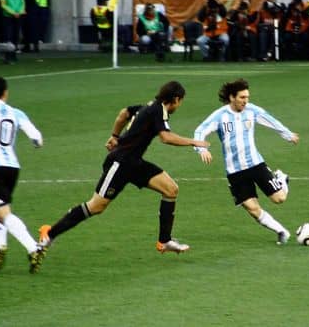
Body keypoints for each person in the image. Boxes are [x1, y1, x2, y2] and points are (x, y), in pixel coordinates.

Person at [38, 81, 210, 255]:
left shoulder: (148, 107)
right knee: (96, 206)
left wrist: (115, 136)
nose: (179, 106)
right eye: (180, 102)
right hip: (119, 163)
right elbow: (165, 137)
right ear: (176, 99)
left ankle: (164, 241)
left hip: (134, 162)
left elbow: (124, 113)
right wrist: (193, 142)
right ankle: (50, 233)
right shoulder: (158, 110)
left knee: (171, 189)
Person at [193, 79, 299, 245]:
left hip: (256, 164)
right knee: (252, 209)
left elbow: (270, 119)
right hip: (235, 171)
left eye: (247, 97)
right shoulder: (220, 116)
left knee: (279, 199)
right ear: (232, 97)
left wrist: (287, 134)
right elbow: (200, 131)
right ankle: (281, 231)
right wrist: (202, 149)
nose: (246, 101)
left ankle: (281, 179)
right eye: (242, 97)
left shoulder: (252, 111)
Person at [0, 77, 46, 273]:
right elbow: (37, 138)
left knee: (2, 211)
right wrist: (35, 144)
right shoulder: (15, 113)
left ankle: (34, 248)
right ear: (5, 92)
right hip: (12, 167)